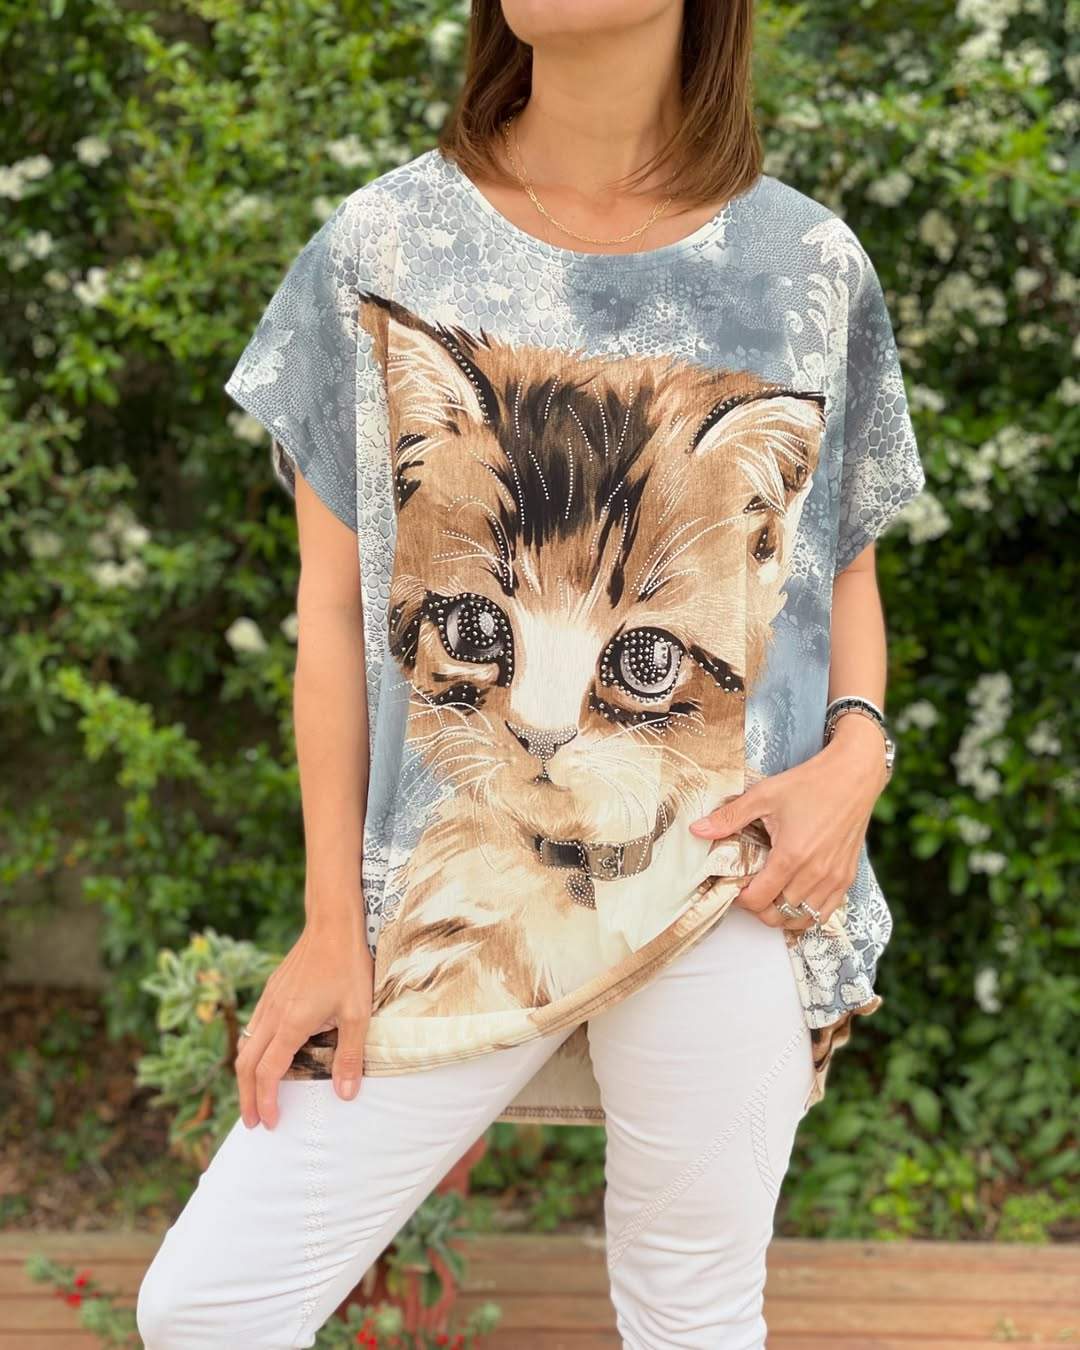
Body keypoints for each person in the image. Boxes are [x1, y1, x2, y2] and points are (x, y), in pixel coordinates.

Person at [136, 0, 925, 1345]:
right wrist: (332, 922)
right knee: (207, 1306)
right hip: (447, 892)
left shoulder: (805, 265)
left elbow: (834, 566)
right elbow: (330, 613)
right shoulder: (385, 245)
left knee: (694, 1322)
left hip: (726, 881)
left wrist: (858, 753)